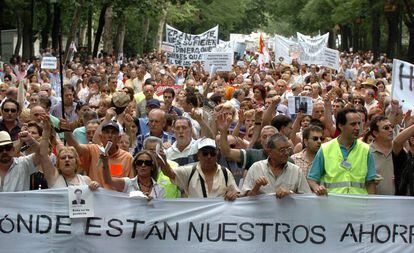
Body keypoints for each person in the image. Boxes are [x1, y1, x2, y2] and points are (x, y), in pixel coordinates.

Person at [307, 108, 377, 195]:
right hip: (333, 204)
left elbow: (371, 183)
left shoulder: (366, 150)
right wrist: (317, 188)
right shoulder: (325, 149)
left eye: (359, 123)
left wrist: (371, 204)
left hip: (358, 204)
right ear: (340, 126)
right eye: (353, 124)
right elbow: (312, 179)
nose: (358, 128)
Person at [158, 137, 239, 200]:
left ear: (217, 155)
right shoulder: (190, 171)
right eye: (205, 153)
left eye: (212, 153)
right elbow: (169, 173)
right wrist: (162, 160)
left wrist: (232, 195)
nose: (209, 157)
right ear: (198, 156)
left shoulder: (225, 172)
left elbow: (237, 194)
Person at [63, 119, 134, 188]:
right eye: (106, 132)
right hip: (95, 197)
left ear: (119, 138)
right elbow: (76, 147)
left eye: (113, 132)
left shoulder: (127, 157)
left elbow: (130, 185)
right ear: (101, 137)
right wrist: (67, 131)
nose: (110, 135)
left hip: (117, 199)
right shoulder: (93, 150)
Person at [242, 133, 311, 198]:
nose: (286, 153)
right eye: (282, 150)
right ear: (269, 152)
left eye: (288, 149)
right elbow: (245, 200)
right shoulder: (256, 168)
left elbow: (307, 199)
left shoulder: (296, 171)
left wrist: (290, 194)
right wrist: (256, 187)